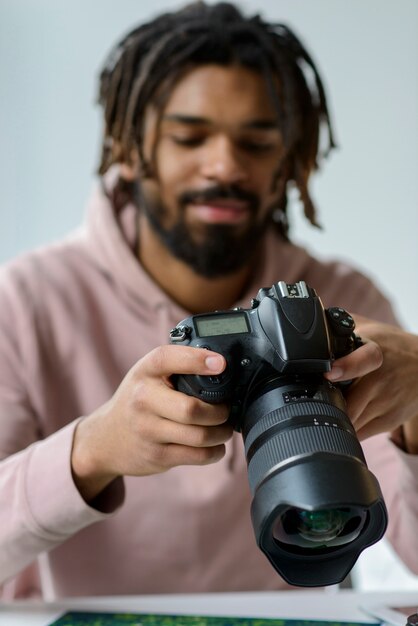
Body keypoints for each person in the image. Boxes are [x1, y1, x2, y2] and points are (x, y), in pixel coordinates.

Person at [0, 0, 417, 600]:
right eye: (189, 137)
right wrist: (94, 449)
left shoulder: (342, 302)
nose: (224, 166)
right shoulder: (27, 303)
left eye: (256, 142)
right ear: (127, 144)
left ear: (290, 161)